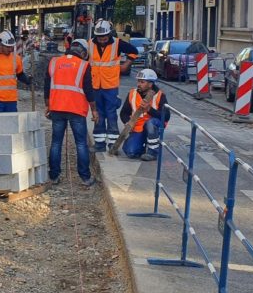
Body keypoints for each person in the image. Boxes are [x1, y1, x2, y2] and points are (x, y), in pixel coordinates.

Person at [43, 39, 98, 186]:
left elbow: (47, 86)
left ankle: (54, 176)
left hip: (57, 108)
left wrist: (48, 106)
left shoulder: (54, 62)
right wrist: (94, 110)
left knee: (56, 143)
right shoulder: (84, 65)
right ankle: (85, 178)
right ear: (84, 52)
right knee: (81, 143)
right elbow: (89, 90)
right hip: (76, 110)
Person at [89, 19, 139, 152]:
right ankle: (99, 143)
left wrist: (127, 64)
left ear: (109, 34)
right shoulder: (90, 44)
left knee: (111, 113)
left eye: (104, 37)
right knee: (98, 113)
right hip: (95, 85)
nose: (102, 40)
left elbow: (134, 51)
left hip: (110, 85)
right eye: (99, 38)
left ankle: (112, 143)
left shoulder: (117, 44)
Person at [120, 69, 169, 161]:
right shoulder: (132, 93)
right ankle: (141, 144)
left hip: (154, 125)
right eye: (138, 81)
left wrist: (149, 109)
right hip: (138, 127)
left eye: (142, 82)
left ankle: (153, 151)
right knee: (130, 152)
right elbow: (124, 113)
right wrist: (127, 122)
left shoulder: (160, 95)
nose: (139, 84)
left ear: (150, 84)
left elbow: (166, 116)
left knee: (150, 123)